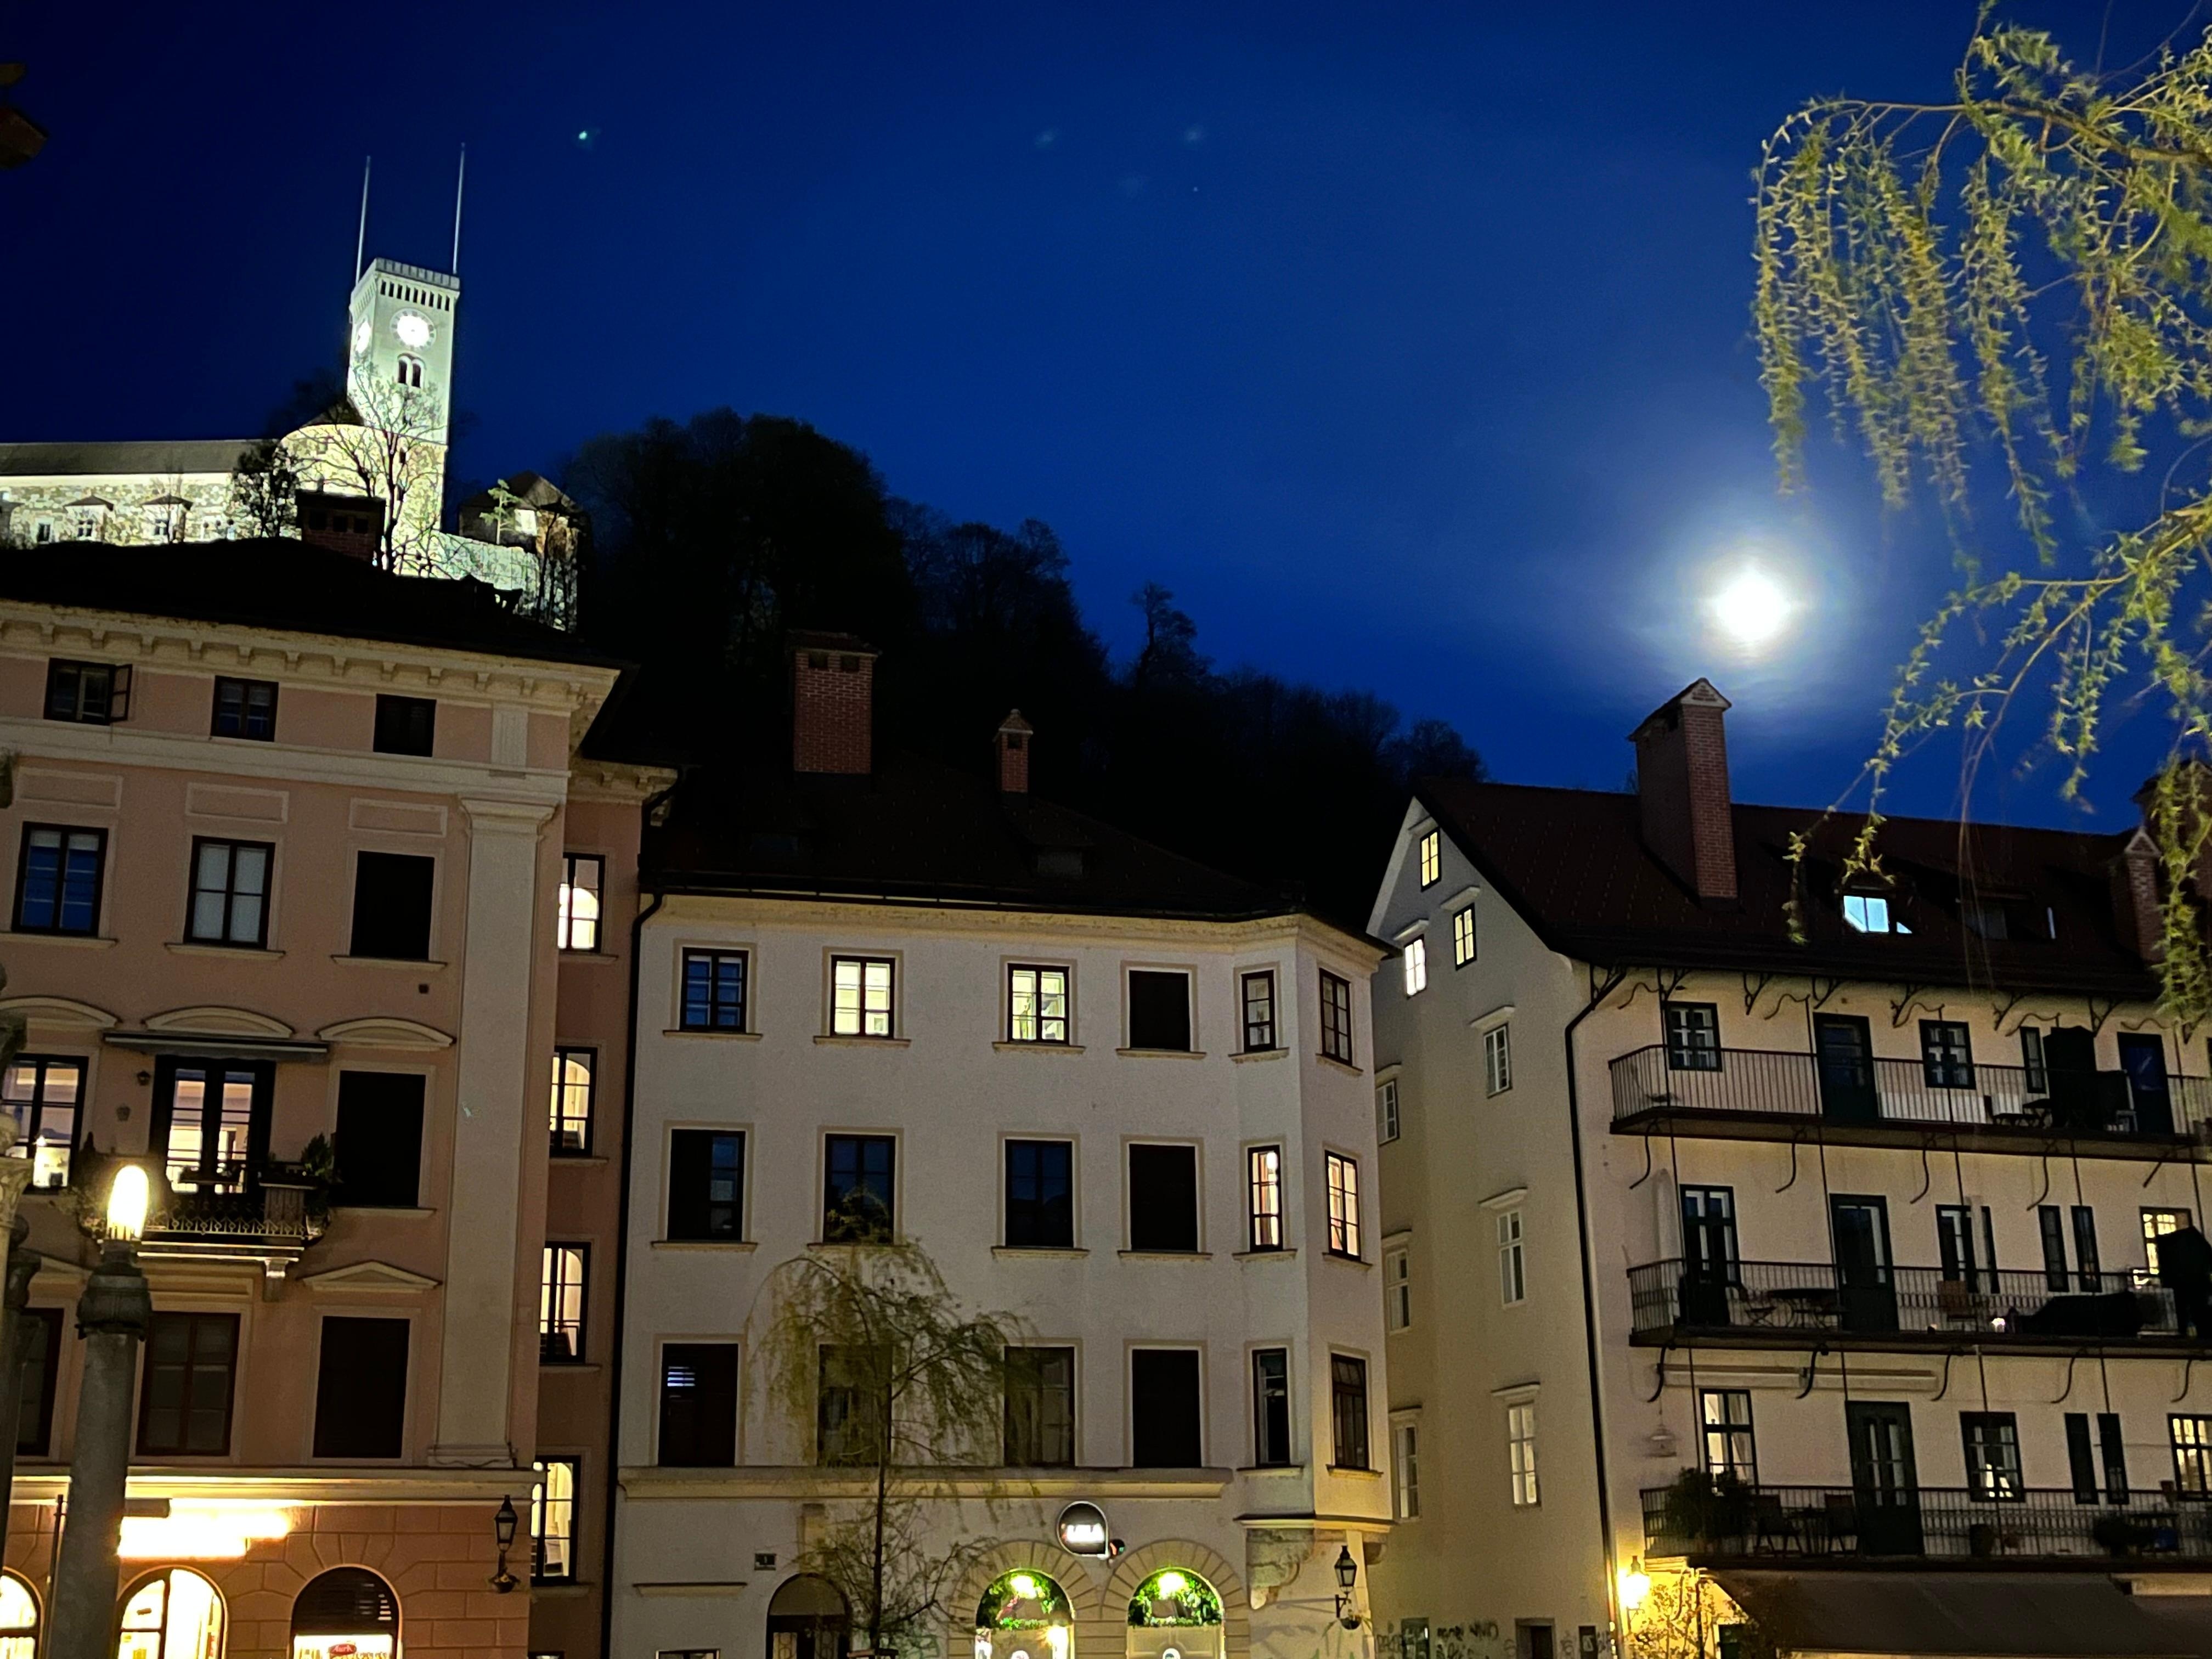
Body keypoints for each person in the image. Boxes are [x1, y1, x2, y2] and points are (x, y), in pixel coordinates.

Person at [2158, 1222, 2212, 1339]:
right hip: (2197, 1286)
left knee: (2188, 1311)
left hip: (2187, 1286)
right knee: (2197, 1311)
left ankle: (2190, 1332)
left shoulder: (2176, 1250)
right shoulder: (2195, 1248)